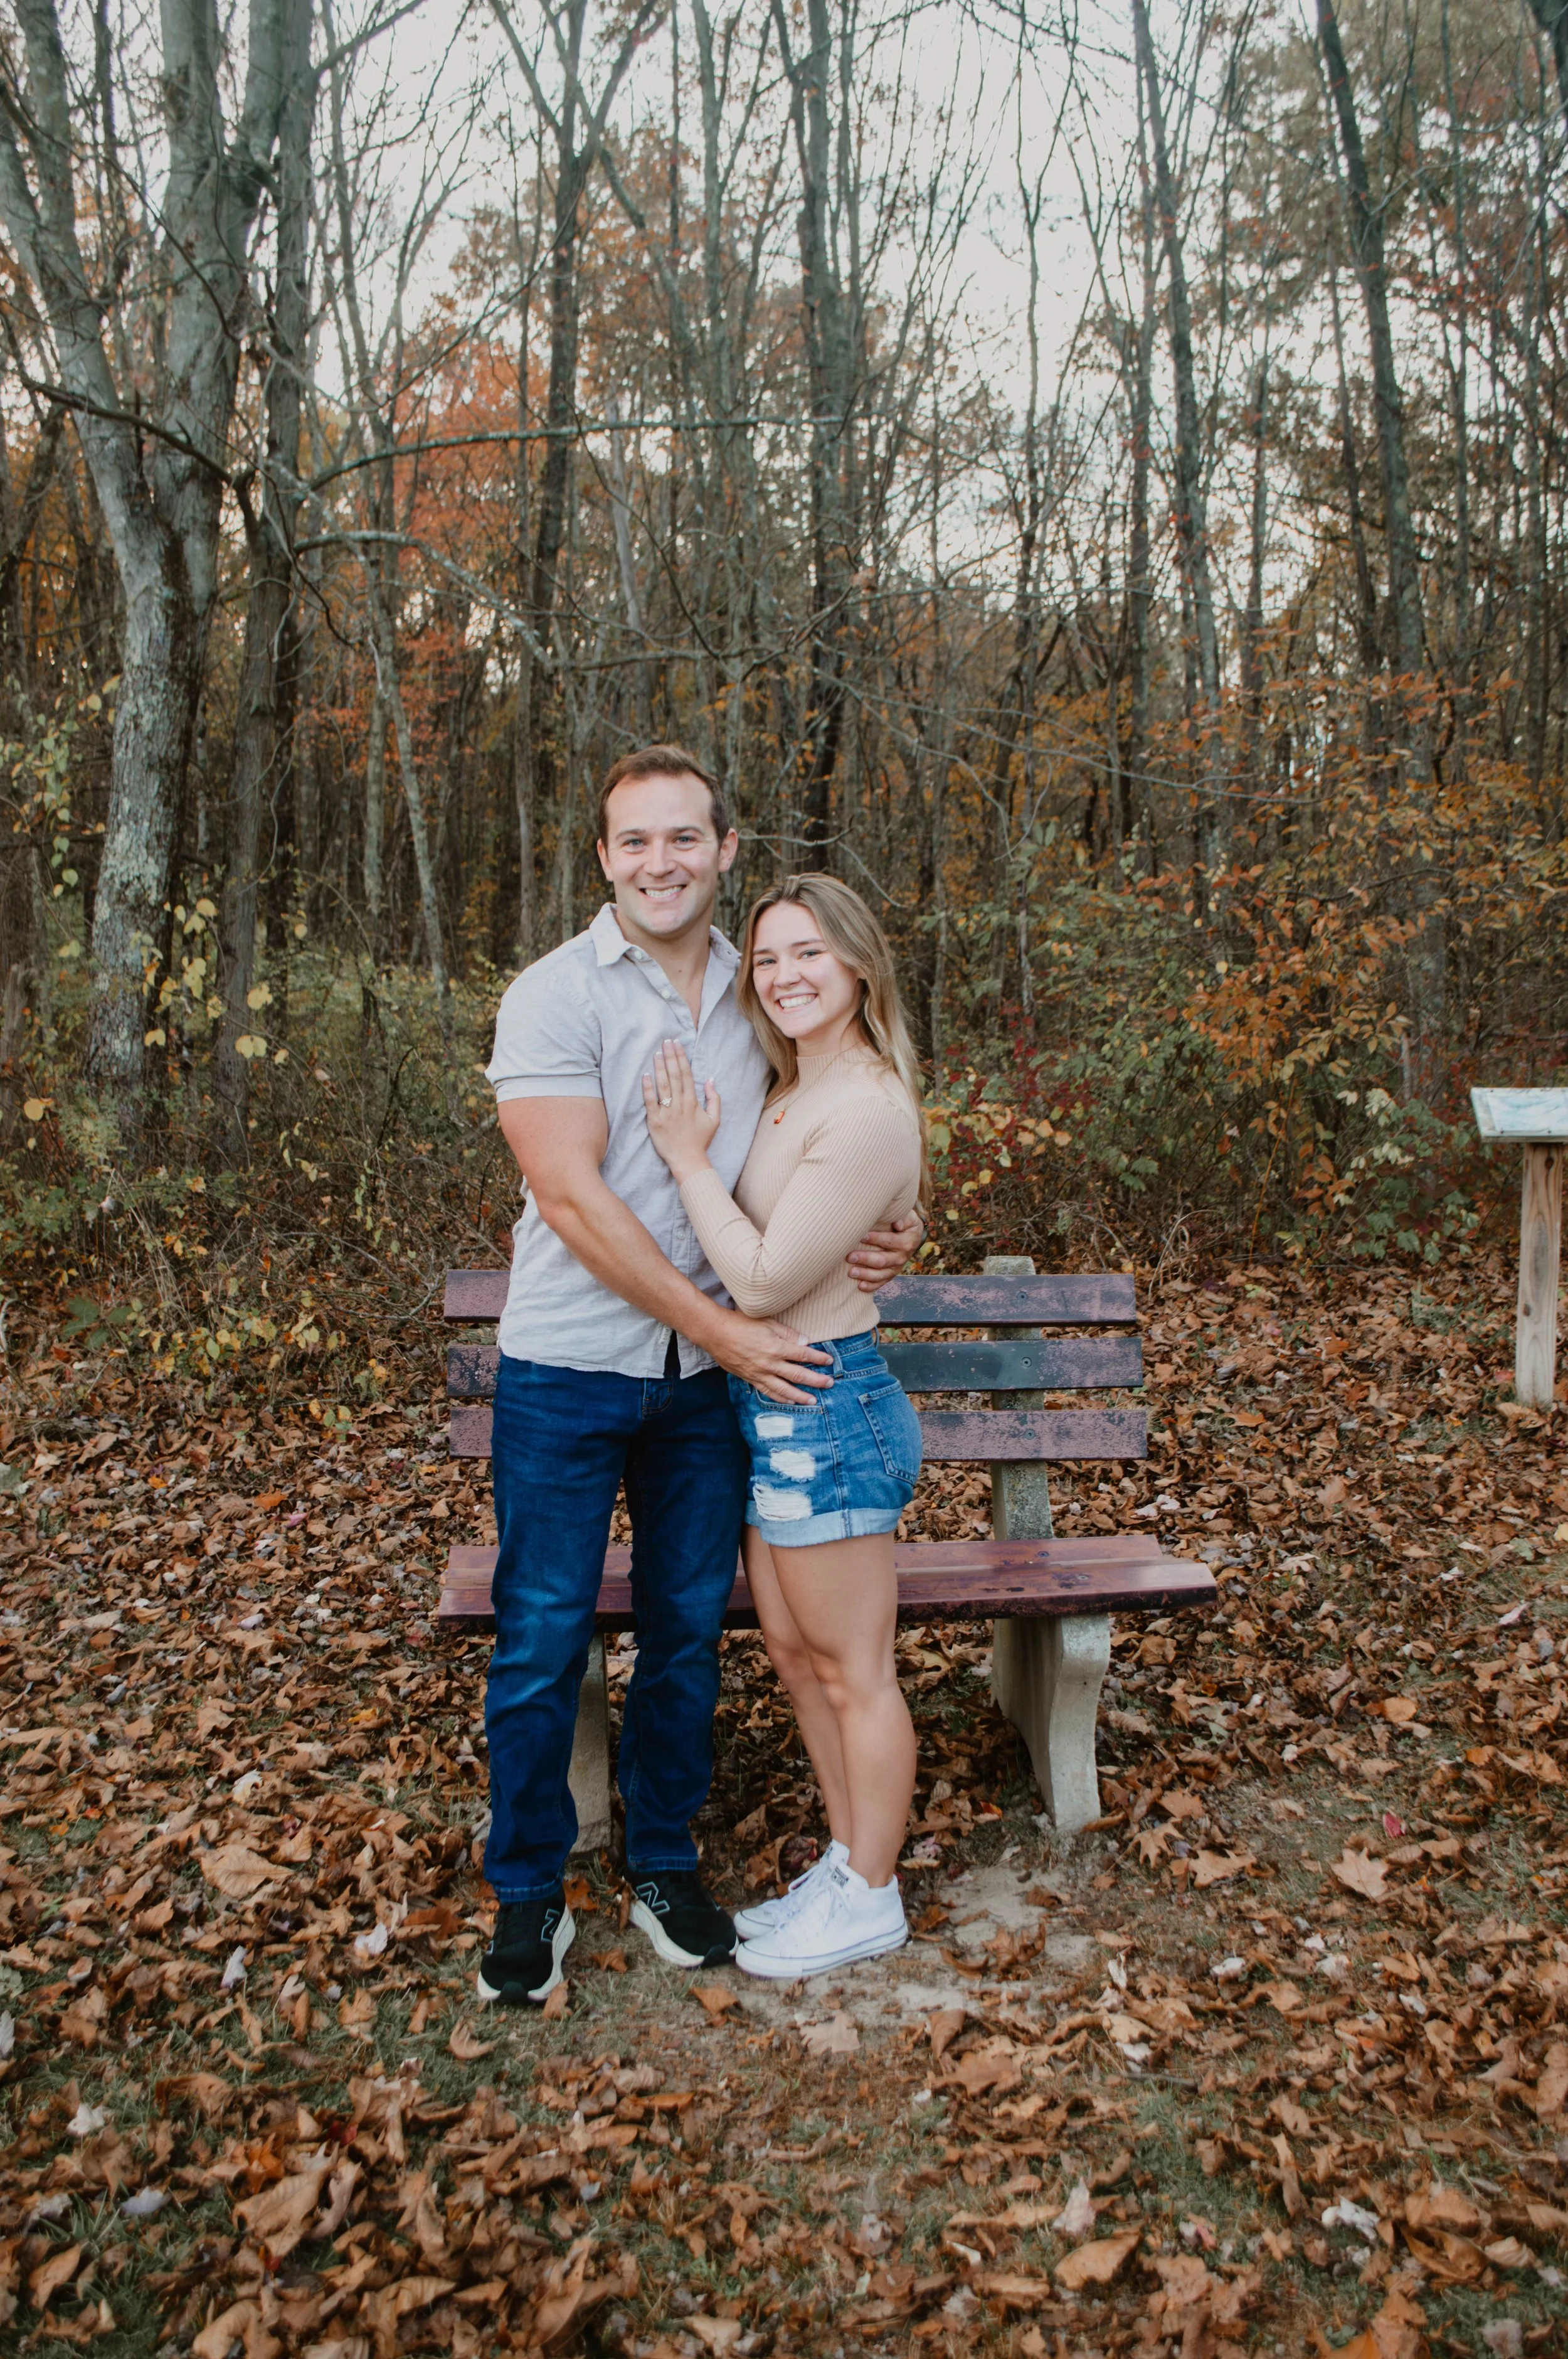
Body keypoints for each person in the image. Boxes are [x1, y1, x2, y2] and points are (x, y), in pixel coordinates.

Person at [475, 747, 921, 2005]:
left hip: (712, 1394)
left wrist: (901, 1224)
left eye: (685, 838)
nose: (659, 861)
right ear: (603, 857)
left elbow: (833, 1140)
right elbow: (569, 1193)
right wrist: (723, 1328)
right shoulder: (554, 995)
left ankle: (664, 1860)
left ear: (724, 849)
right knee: (543, 1637)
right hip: (570, 1368)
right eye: (634, 841)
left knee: (684, 1637)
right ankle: (527, 1888)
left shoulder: (767, 988)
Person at [642, 873, 926, 1977]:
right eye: (767, 959)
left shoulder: (862, 1103)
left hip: (830, 1402)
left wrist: (681, 1159)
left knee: (855, 1669)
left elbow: (760, 1283)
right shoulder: (786, 1085)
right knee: (799, 1660)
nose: (786, 976)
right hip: (776, 1407)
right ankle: (850, 1860)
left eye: (809, 953)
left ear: (858, 963)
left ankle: (872, 1896)